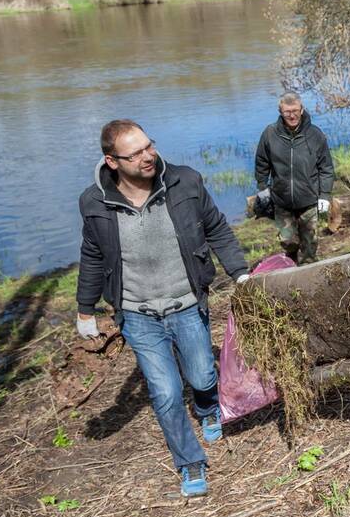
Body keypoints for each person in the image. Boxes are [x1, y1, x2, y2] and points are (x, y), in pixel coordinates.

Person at [76, 120, 250, 497]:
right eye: (134, 153)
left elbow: (217, 227)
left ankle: (207, 407)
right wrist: (84, 309)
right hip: (137, 314)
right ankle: (190, 463)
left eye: (148, 146)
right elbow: (92, 255)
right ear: (112, 161)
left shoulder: (184, 182)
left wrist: (240, 272)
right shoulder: (94, 203)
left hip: (186, 303)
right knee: (166, 392)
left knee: (203, 375)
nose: (147, 156)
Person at [253, 92, 335, 264]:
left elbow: (326, 168)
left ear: (302, 109)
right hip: (282, 201)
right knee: (287, 241)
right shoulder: (270, 134)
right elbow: (262, 163)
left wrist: (325, 195)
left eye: (295, 111)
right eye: (287, 112)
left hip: (309, 200)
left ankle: (308, 271)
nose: (292, 115)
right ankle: (290, 263)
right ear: (280, 111)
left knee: (310, 244)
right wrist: (263, 187)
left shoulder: (315, 135)